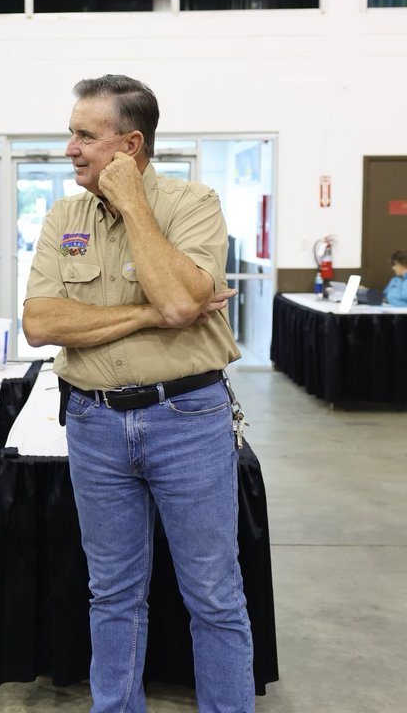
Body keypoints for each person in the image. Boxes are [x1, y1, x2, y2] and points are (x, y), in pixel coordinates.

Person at [23, 75, 255, 713]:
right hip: (94, 423)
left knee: (212, 590)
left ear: (130, 145)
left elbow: (182, 297)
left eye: (84, 135)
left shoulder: (192, 203)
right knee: (113, 592)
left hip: (187, 417)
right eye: (71, 132)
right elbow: (41, 323)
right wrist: (150, 315)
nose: (70, 147)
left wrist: (134, 206)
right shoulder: (63, 215)